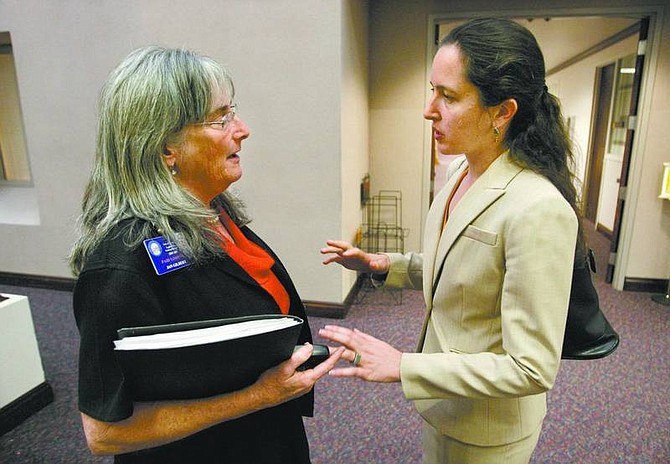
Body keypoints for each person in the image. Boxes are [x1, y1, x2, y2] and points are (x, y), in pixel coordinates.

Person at [319, 18, 580, 464]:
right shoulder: (464, 170)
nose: (429, 109)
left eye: (449, 96)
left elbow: (531, 367)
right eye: (432, 89)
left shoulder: (537, 208)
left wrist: (403, 365)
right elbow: (468, 269)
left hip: (487, 430)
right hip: (448, 406)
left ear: (503, 112)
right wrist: (385, 264)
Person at [69, 46, 343, 464]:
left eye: (233, 111)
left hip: (263, 438)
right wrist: (258, 396)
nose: (243, 129)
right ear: (165, 148)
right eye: (221, 119)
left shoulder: (212, 209)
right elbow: (105, 434)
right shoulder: (119, 269)